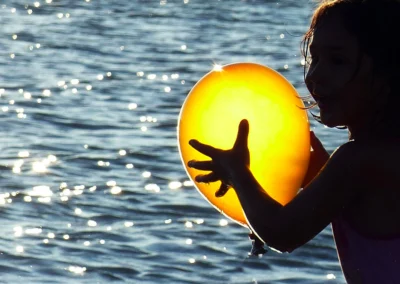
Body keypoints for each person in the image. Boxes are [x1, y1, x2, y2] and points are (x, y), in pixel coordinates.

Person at [187, 0, 400, 283]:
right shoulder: (377, 157)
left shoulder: (359, 160)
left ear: (388, 71)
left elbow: (283, 233)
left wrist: (238, 175)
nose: (315, 75)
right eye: (314, 58)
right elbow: (353, 204)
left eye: (337, 61)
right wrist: (300, 170)